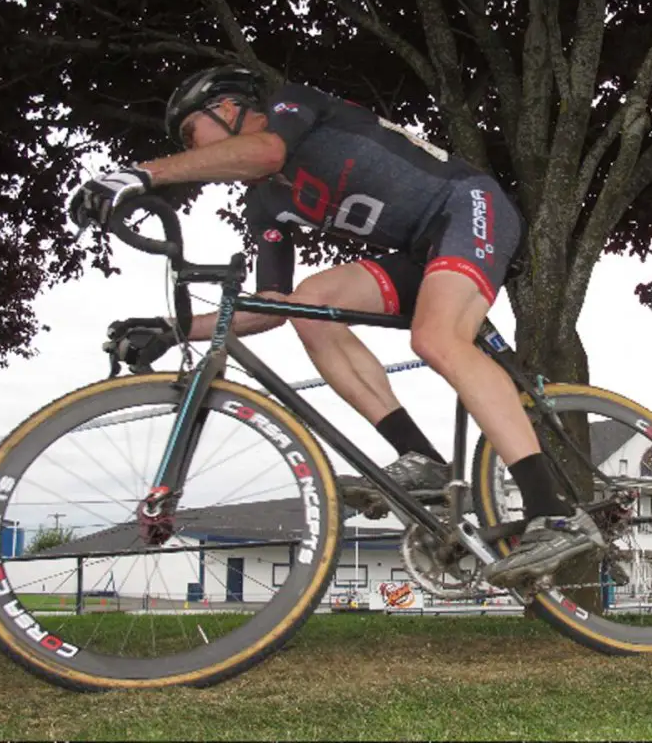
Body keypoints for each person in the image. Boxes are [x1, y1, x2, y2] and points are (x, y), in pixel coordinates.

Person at [68, 64, 604, 587]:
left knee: (437, 338)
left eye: (191, 132)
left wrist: (139, 174)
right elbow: (274, 307)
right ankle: (421, 457)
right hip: (422, 248)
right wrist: (176, 328)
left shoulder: (289, 107)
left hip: (468, 206)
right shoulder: (266, 202)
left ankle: (551, 513)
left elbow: (266, 150)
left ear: (229, 108)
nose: (190, 149)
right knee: (311, 304)